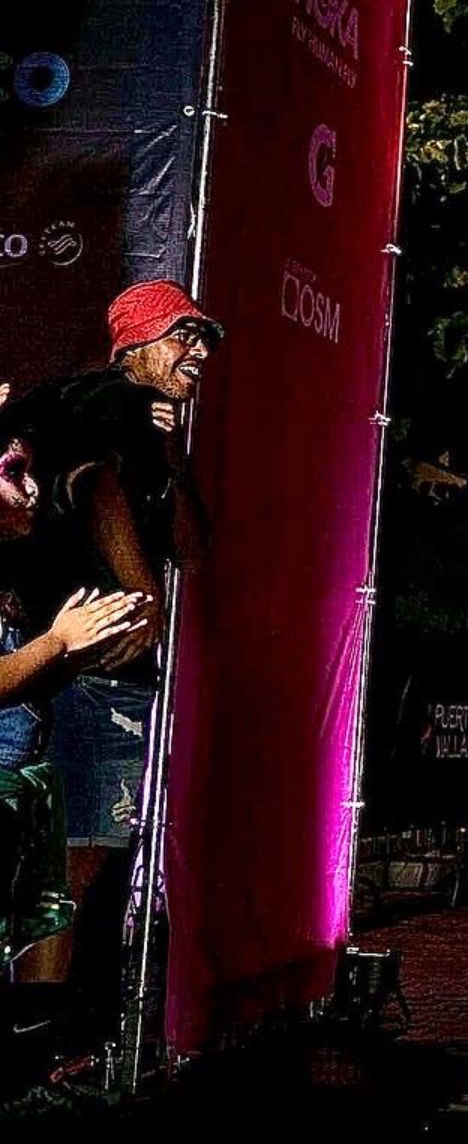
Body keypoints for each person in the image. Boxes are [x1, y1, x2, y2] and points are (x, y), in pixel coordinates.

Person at [5, 281, 220, 1015]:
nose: (198, 353)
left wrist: (174, 458)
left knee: (73, 867)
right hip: (90, 668)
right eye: (182, 336)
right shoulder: (115, 401)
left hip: (91, 669)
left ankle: (44, 1039)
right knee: (69, 870)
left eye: (205, 340)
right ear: (135, 345)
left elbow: (195, 551)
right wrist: (142, 595)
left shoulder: (143, 421)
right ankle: (35, 1045)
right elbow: (91, 484)